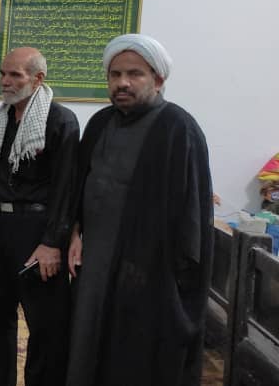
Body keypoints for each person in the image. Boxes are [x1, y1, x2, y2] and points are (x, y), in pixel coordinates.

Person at [65, 34, 213, 386]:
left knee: (134, 357)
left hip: (149, 273)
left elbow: (192, 215)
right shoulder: (100, 123)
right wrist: (74, 232)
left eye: (134, 74)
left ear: (158, 80)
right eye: (115, 75)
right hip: (96, 264)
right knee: (87, 347)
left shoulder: (178, 128)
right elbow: (79, 187)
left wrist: (174, 279)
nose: (123, 83)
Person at [0, 48, 77, 386]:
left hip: (37, 234)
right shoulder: (1, 118)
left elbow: (67, 189)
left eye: (15, 75)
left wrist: (52, 243)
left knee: (44, 325)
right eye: (3, 74)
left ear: (38, 78)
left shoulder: (59, 120)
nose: (5, 81)